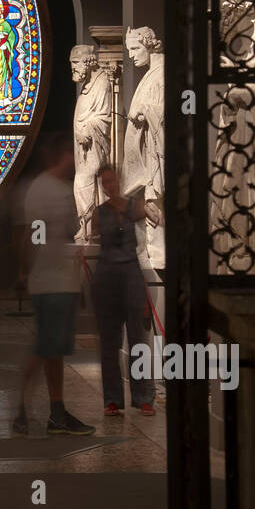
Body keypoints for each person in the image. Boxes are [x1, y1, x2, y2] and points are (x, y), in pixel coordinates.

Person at [13, 133, 94, 436]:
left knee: (54, 350)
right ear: (64, 155)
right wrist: (26, 272)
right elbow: (31, 236)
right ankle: (20, 406)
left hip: (62, 280)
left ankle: (56, 411)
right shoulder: (43, 190)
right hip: (49, 282)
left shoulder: (62, 188)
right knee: (46, 347)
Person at [90, 164, 156, 417]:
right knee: (109, 341)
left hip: (130, 273)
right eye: (104, 182)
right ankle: (112, 400)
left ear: (119, 179)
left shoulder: (133, 207)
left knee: (138, 338)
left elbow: (151, 219)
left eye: (111, 180)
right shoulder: (99, 212)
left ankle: (144, 398)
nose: (109, 185)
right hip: (107, 276)